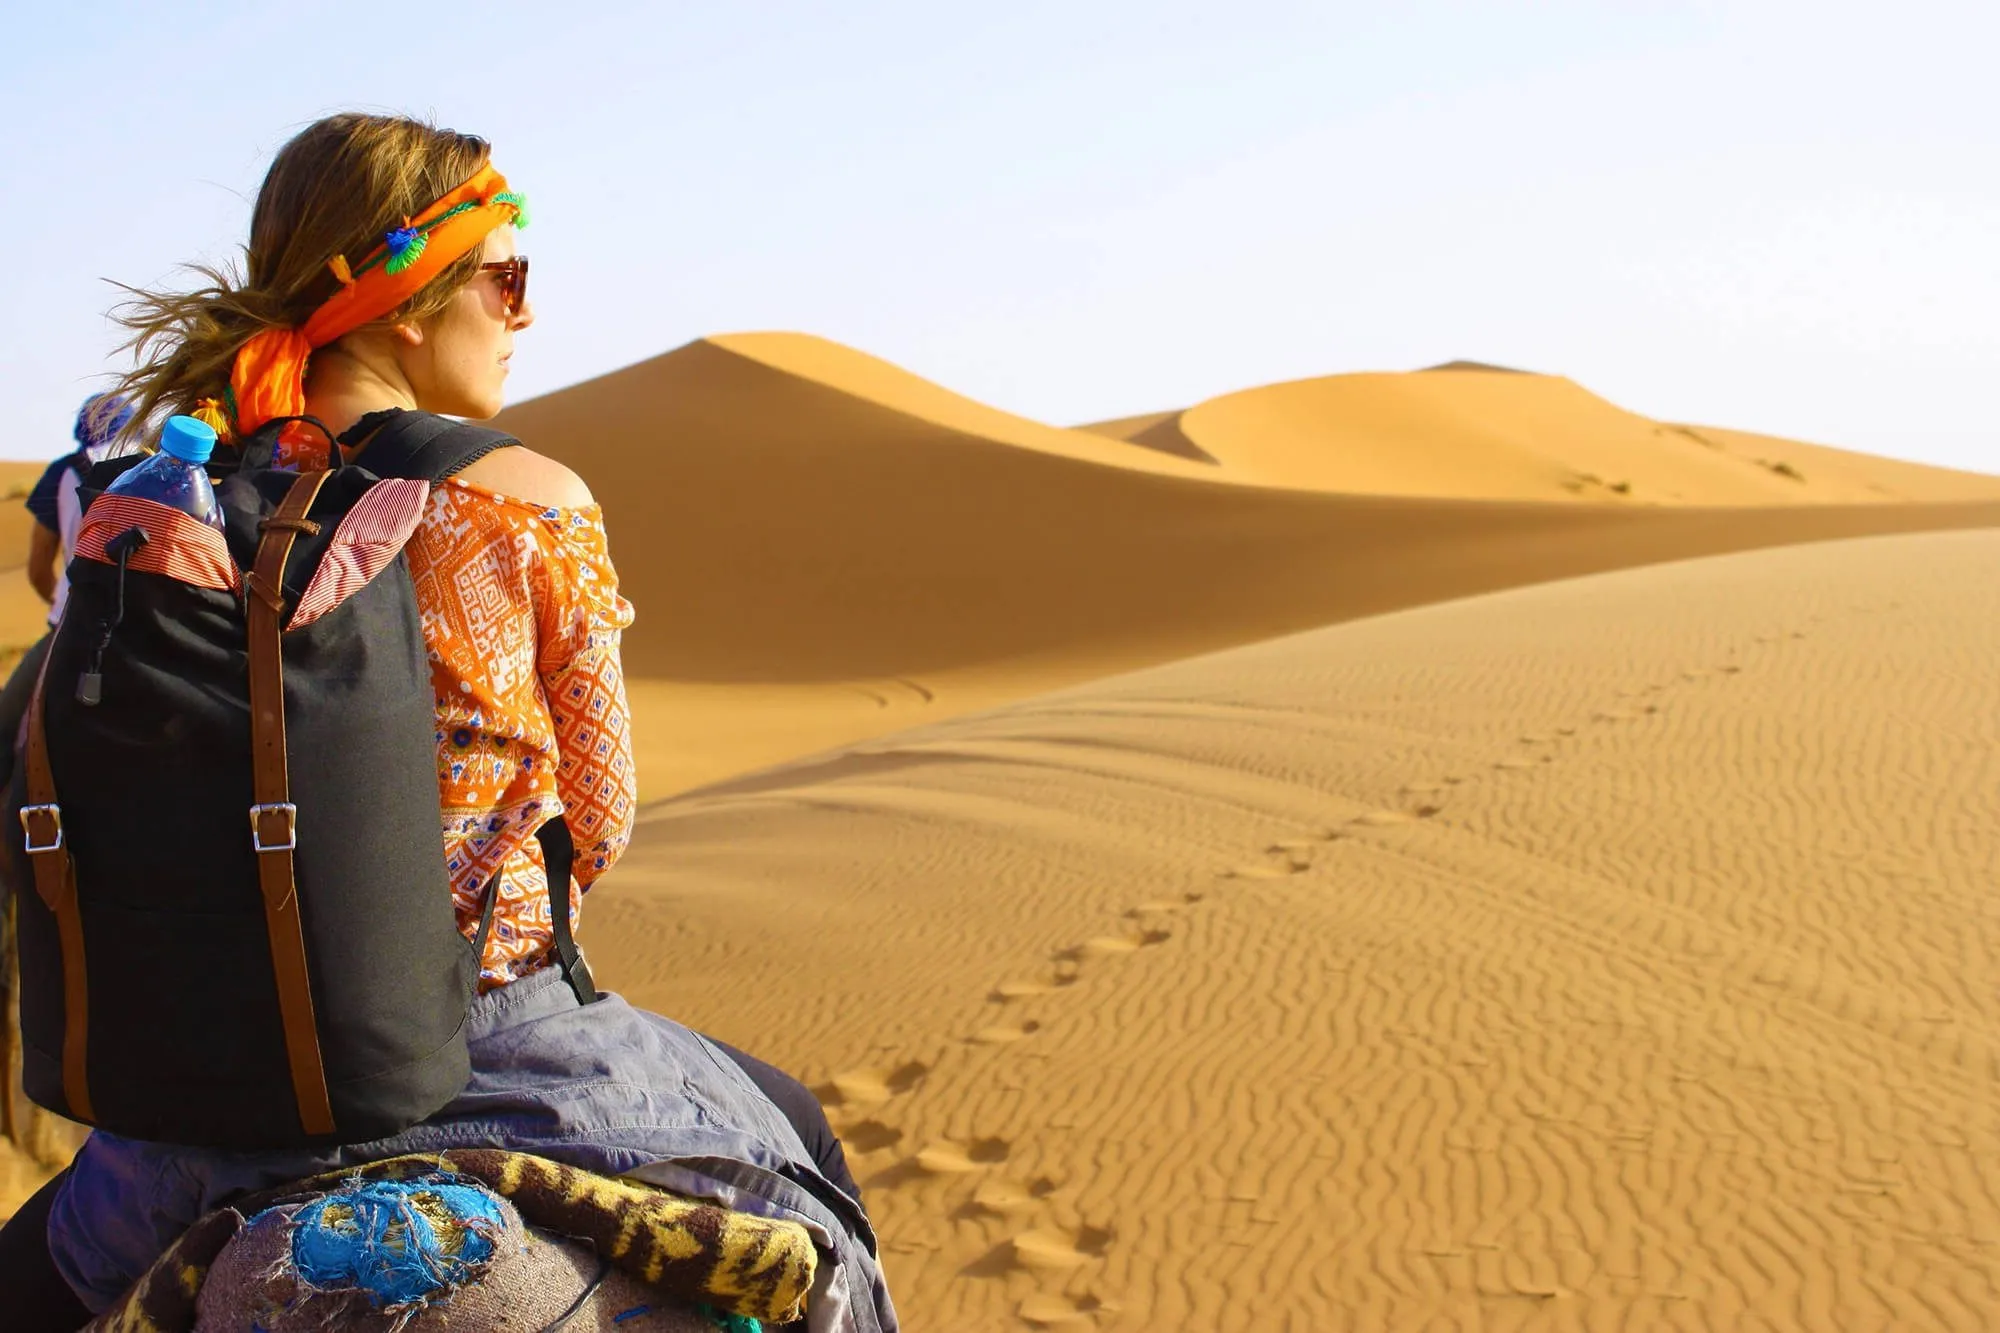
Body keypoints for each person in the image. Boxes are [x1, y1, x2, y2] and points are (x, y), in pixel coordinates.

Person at [0, 113, 888, 1330]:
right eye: (504, 278)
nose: (522, 316)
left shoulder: (165, 505)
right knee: (800, 1156)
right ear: (409, 299)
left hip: (179, 1119)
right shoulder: (523, 498)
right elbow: (599, 812)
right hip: (495, 1056)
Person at [21, 394, 137, 619]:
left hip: (75, 616)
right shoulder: (156, 470)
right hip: (144, 620)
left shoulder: (60, 473)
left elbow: (38, 569)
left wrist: (61, 607)